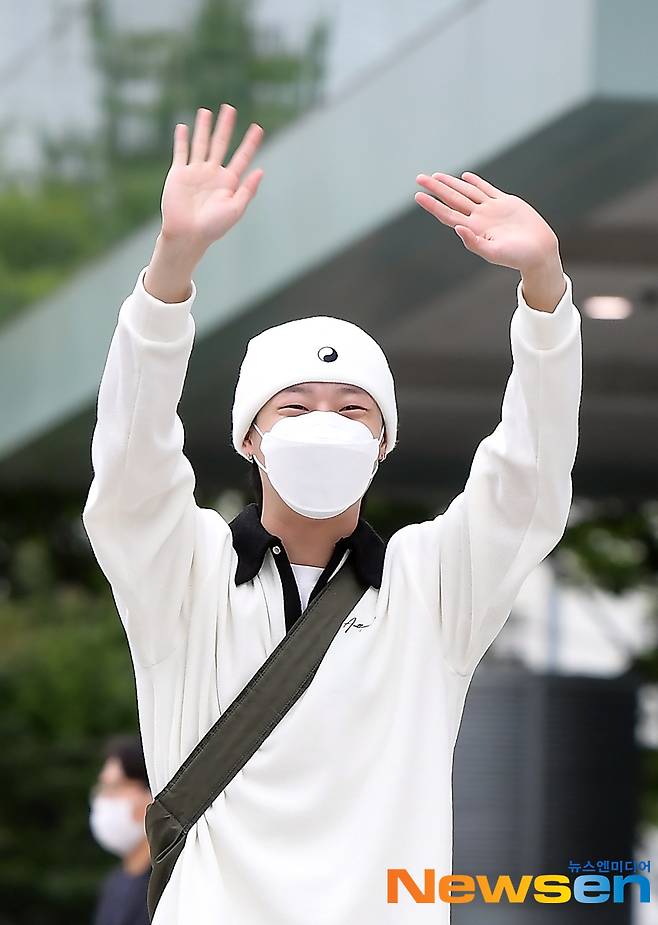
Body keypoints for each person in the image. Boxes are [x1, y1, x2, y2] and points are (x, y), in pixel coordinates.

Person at [82, 104, 582, 924]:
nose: (325, 424)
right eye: (296, 405)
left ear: (384, 442)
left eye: (353, 409)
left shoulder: (432, 587)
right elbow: (131, 465)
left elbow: (529, 477)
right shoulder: (185, 575)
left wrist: (546, 291)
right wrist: (171, 268)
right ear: (249, 436)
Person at [89, 734, 152, 925]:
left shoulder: (173, 883)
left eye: (115, 787)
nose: (103, 799)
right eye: (102, 788)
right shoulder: (115, 885)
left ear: (149, 797)